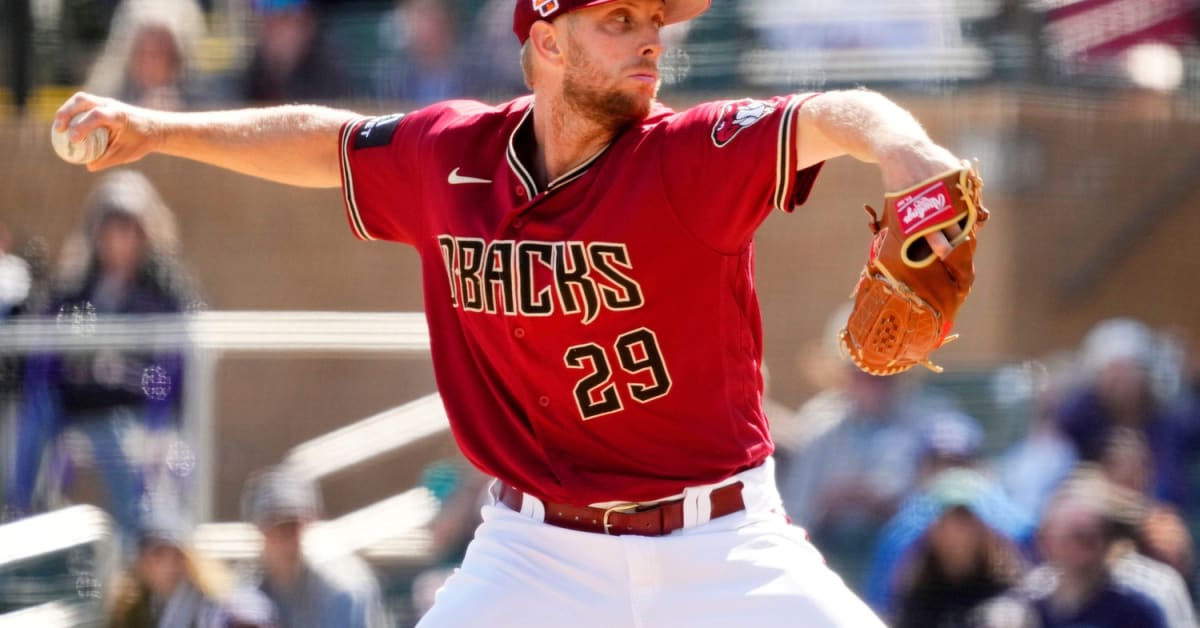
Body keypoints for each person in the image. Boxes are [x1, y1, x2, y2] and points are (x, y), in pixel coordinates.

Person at [53, 0, 982, 624]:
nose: (652, 39)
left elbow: (841, 111)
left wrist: (906, 151)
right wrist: (155, 130)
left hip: (723, 543)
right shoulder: (448, 158)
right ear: (544, 38)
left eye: (657, 20)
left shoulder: (688, 158)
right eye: (619, 18)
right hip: (534, 552)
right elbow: (323, 141)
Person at [6, 170, 196, 551]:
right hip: (76, 411)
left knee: (128, 452)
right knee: (33, 419)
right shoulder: (75, 288)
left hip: (135, 413)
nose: (120, 240)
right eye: (113, 228)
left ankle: (135, 554)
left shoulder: (163, 291)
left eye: (130, 229)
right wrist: (87, 374)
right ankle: (20, 522)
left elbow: (169, 377)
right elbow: (47, 366)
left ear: (145, 234)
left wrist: (124, 376)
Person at [240, 465, 388, 628]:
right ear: (257, 531)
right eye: (275, 528)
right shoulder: (245, 594)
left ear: (309, 524)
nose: (288, 539)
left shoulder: (344, 590)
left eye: (294, 527)